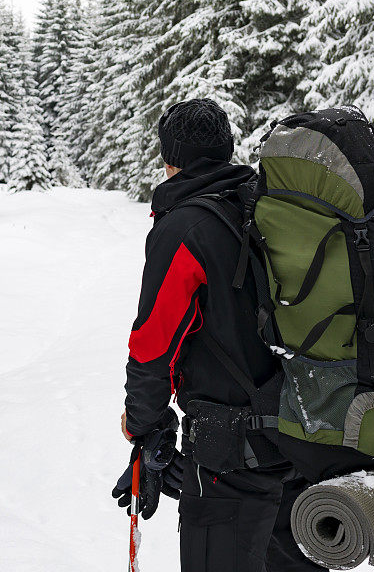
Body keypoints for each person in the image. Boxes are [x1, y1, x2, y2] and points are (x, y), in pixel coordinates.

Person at [112, 99, 323, 572]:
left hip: (229, 459)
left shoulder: (185, 228)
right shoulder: (269, 208)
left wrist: (142, 426)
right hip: (302, 440)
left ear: (170, 161)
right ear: (228, 149)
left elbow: (152, 345)